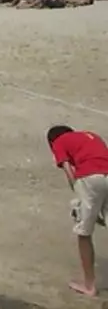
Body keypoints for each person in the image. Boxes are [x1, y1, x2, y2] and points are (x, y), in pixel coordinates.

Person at [47, 125, 108, 296]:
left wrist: (78, 191)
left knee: (84, 232)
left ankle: (89, 285)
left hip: (89, 177)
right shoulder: (92, 135)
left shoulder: (59, 142)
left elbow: (67, 168)